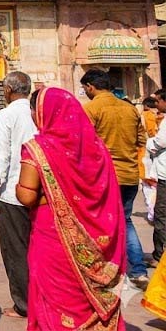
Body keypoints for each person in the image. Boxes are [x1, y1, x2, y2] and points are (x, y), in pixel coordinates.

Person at [17, 88, 126, 330]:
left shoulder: (38, 148)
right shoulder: (97, 149)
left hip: (53, 234)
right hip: (97, 235)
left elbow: (26, 195)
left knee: (56, 297)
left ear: (42, 113)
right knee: (85, 297)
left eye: (34, 111)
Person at [81, 68, 149, 289]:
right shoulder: (130, 109)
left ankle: (108, 270)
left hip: (105, 175)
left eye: (85, 89)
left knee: (101, 223)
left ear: (90, 87)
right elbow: (141, 140)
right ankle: (138, 271)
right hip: (129, 173)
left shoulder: (91, 109)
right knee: (125, 221)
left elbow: (84, 143)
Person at [0, 71, 38, 320]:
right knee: (37, 246)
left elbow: (1, 155)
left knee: (16, 249)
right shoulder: (37, 112)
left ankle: (24, 304)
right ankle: (40, 297)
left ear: (7, 90)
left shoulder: (6, 115)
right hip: (39, 189)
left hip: (13, 191)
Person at [144, 96, 161, 226]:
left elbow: (153, 135)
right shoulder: (158, 116)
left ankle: (152, 213)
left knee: (150, 185)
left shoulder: (147, 116)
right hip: (154, 154)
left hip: (148, 153)